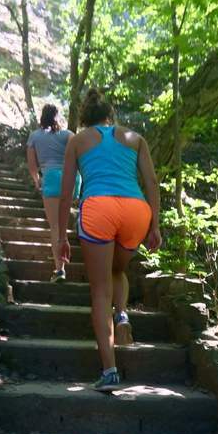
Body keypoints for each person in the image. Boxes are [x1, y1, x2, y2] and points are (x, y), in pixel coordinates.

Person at [58, 89, 162, 391]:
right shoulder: (135, 138)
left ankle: (110, 371)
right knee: (117, 270)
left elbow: (66, 193)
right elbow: (151, 182)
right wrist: (155, 225)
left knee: (100, 289)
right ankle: (123, 313)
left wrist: (60, 236)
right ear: (110, 115)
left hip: (99, 207)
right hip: (135, 210)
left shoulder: (77, 141)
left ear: (84, 117)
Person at [27, 104, 81, 283]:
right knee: (64, 224)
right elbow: (81, 152)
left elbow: (32, 165)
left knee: (56, 227)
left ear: (42, 117)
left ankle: (60, 270)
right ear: (57, 117)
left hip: (49, 178)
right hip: (69, 179)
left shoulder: (34, 137)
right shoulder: (67, 135)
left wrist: (37, 181)